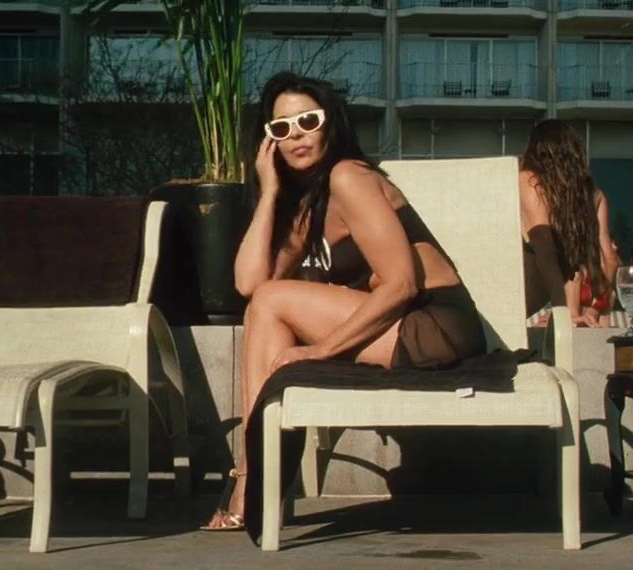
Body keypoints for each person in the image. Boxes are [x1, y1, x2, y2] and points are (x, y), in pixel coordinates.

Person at [202, 72, 487, 530]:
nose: (296, 135)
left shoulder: (349, 176)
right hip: (399, 326)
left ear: (330, 123)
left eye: (308, 121)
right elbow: (248, 284)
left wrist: (320, 350)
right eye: (281, 128)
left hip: (433, 324)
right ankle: (260, 478)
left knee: (272, 304)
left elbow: (401, 285)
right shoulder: (307, 204)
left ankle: (256, 481)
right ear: (269, 143)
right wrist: (269, 192)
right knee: (265, 304)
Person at [518, 119, 619, 327]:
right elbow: (609, 260)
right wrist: (591, 311)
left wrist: (564, 314)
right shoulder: (593, 196)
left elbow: (545, 250)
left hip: (508, 294)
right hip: (530, 297)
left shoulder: (530, 181)